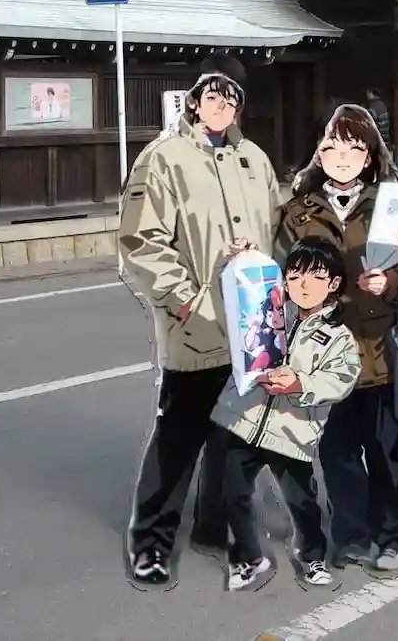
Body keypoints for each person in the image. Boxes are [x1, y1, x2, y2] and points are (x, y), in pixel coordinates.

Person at [119, 55, 286, 588]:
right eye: (212, 95)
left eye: (231, 98)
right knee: (178, 439)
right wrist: (186, 300)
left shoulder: (254, 160)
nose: (221, 105)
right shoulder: (163, 158)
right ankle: (152, 542)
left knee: (234, 436)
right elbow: (141, 241)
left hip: (252, 326)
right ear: (194, 100)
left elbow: (278, 230)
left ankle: (216, 527)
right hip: (196, 324)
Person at [278, 104, 398, 575]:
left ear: (369, 154)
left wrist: (390, 281)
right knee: (336, 451)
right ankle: (351, 535)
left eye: (354, 146)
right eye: (332, 145)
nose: (342, 155)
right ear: (318, 152)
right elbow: (277, 272)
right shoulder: (297, 212)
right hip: (324, 354)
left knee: (386, 450)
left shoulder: (391, 205)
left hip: (382, 351)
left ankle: (395, 535)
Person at [211, 237, 361, 592]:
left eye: (316, 277)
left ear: (333, 284)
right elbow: (234, 298)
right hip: (245, 420)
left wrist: (299, 383)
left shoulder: (336, 335)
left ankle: (312, 557)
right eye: (295, 276)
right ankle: (249, 556)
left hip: (292, 432)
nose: (303, 285)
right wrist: (239, 262)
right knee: (231, 492)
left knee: (301, 501)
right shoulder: (269, 307)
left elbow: (341, 378)